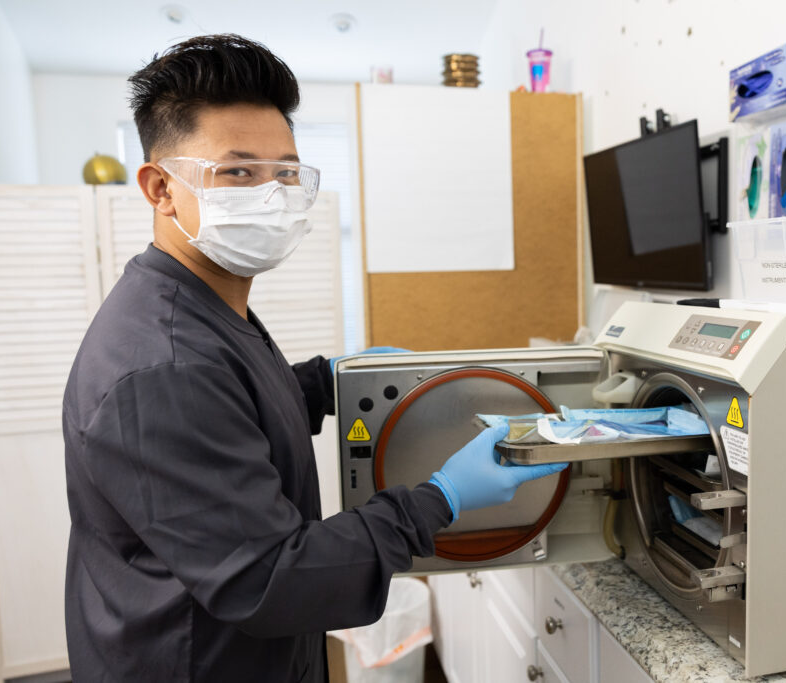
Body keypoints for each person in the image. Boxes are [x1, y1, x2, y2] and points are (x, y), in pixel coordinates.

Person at [62, 34, 566, 683]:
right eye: (239, 171)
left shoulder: (199, 303)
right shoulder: (164, 362)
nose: (272, 195)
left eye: (286, 171)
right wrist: (439, 499)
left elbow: (230, 417)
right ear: (160, 187)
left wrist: (326, 381)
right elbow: (272, 579)